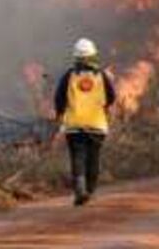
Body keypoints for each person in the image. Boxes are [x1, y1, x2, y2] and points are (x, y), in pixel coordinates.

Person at [54, 37, 116, 206]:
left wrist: (59, 114)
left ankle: (80, 190)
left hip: (74, 125)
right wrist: (103, 106)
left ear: (76, 57)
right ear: (93, 55)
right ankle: (90, 189)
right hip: (97, 125)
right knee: (94, 158)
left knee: (77, 157)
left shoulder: (69, 75)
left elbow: (59, 97)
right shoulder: (102, 75)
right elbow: (112, 96)